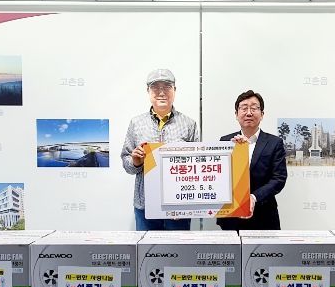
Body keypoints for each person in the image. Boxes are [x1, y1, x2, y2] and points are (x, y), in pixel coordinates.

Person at [121, 69, 199, 230]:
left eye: (167, 87)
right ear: (148, 91)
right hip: (145, 205)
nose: (161, 92)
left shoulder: (189, 124)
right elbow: (127, 162)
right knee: (146, 247)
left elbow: (197, 165)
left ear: (174, 90)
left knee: (178, 247)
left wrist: (187, 203)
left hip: (178, 206)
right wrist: (135, 162)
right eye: (155, 87)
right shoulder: (136, 123)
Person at [217, 90, 287, 231]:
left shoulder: (274, 143)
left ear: (262, 114)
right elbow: (218, 176)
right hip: (231, 217)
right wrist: (233, 150)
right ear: (236, 114)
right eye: (244, 108)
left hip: (264, 216)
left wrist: (254, 197)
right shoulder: (226, 141)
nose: (249, 113)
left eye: (254, 108)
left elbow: (279, 179)